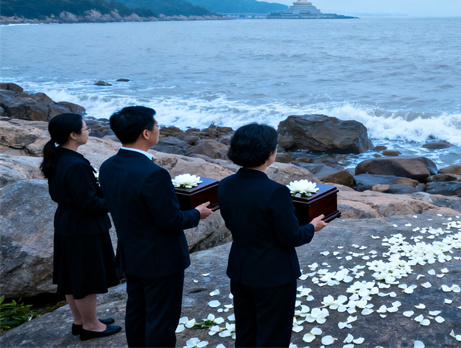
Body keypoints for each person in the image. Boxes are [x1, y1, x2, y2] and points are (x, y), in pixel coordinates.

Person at [99, 106, 213, 347]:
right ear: (146, 133)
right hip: (161, 258)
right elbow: (170, 220)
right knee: (162, 319)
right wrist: (197, 213)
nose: (158, 128)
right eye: (156, 125)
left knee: (137, 311)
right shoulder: (154, 174)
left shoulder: (108, 166)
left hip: (131, 253)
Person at [217, 123, 328, 348]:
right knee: (273, 336)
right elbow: (291, 237)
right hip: (273, 275)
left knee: (246, 332)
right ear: (269, 154)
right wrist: (312, 227)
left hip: (240, 269)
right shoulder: (276, 192)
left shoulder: (225, 185)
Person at [41, 113, 122, 341]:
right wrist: (117, 200)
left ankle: (80, 321)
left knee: (71, 276)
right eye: (85, 129)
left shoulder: (59, 157)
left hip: (68, 223)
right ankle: (91, 325)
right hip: (83, 227)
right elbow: (89, 203)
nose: (88, 132)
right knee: (86, 278)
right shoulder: (75, 164)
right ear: (73, 135)